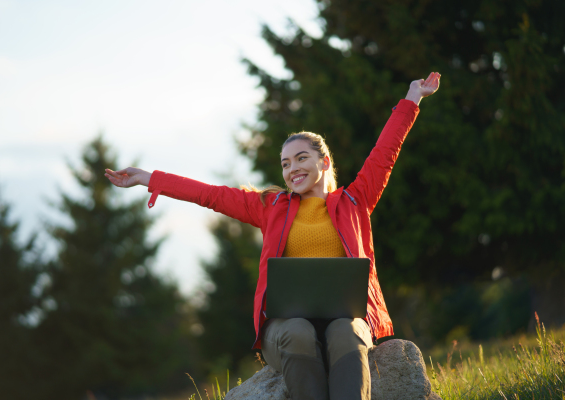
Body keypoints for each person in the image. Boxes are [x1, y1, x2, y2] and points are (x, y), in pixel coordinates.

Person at [104, 72, 441, 399]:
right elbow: (209, 194)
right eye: (285, 163)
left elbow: (385, 152)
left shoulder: (355, 200)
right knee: (298, 331)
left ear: (324, 163)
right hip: (286, 329)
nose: (292, 169)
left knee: (346, 330)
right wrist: (149, 179)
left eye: (301, 158)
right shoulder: (269, 207)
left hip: (344, 321)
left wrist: (413, 98)